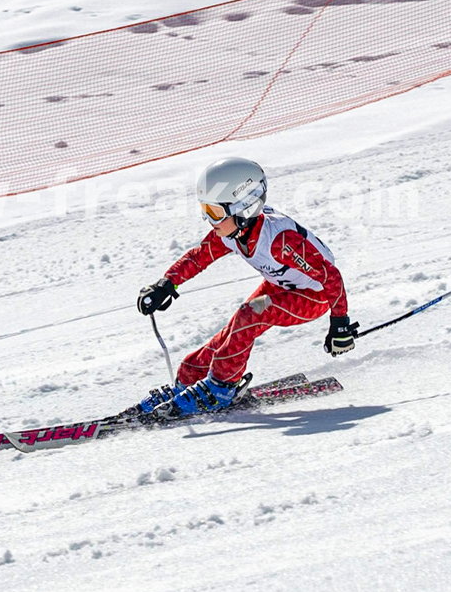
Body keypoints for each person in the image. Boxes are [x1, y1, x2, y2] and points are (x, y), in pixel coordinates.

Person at [133, 157, 357, 420]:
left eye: (215, 212)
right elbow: (198, 257)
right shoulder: (234, 232)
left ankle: (221, 388)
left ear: (244, 208)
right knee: (227, 335)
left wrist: (340, 323)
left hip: (314, 296)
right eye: (205, 210)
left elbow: (331, 277)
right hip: (278, 287)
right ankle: (186, 383)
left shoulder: (279, 240)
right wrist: (166, 284)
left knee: (249, 314)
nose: (208, 220)